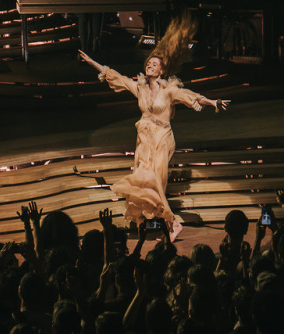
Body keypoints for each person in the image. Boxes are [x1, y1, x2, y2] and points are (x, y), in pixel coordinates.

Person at [78, 12, 230, 242]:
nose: (150, 65)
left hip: (162, 138)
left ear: (162, 70)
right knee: (141, 178)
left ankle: (172, 224)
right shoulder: (138, 87)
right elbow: (114, 76)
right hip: (144, 138)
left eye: (155, 64)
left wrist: (213, 102)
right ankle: (152, 224)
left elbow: (193, 97)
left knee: (156, 181)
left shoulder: (170, 89)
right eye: (149, 62)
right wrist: (91, 62)